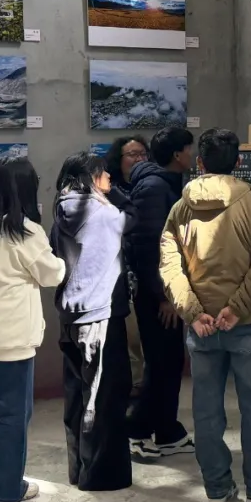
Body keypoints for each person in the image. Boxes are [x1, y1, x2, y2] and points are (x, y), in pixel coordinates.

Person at [160, 129, 251, 502]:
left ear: (199, 162)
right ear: (239, 162)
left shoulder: (181, 208)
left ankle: (216, 486)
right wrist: (237, 307)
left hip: (202, 328)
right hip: (250, 323)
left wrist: (194, 313)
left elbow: (170, 267)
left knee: (206, 411)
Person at [0, 156, 66, 502]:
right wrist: (62, 258)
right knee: (13, 412)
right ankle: (3, 488)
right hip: (10, 335)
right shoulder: (24, 231)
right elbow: (52, 274)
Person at [51, 153, 135, 491]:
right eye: (104, 174)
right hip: (100, 315)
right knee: (104, 398)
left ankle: (79, 469)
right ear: (91, 177)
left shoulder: (61, 208)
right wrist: (116, 195)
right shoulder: (103, 213)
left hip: (71, 315)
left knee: (77, 398)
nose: (110, 178)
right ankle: (100, 476)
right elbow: (134, 217)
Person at [126, 126, 195, 461]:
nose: (193, 155)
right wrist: (165, 295)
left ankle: (167, 431)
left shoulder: (166, 183)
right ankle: (137, 431)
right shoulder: (155, 188)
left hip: (169, 289)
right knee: (160, 362)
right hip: (157, 295)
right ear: (177, 154)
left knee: (171, 361)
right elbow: (148, 248)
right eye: (189, 149)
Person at [103, 135, 149, 394]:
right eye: (132, 154)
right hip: (121, 276)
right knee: (129, 339)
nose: (138, 159)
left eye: (142, 153)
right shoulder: (110, 191)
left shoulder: (150, 186)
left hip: (148, 272)